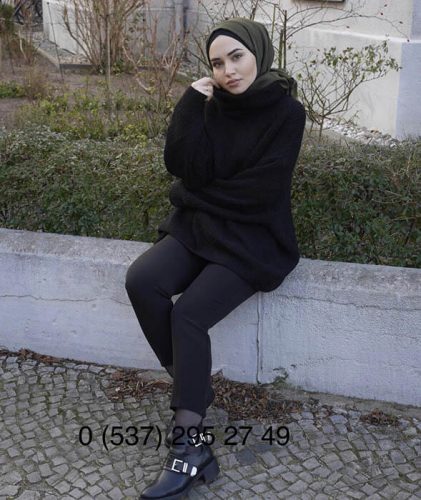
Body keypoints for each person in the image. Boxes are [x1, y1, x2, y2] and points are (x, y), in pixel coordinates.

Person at [125, 16, 306, 500]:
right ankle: (194, 388)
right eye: (218, 63)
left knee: (188, 314)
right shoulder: (212, 106)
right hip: (201, 229)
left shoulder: (287, 112)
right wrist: (190, 102)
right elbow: (182, 165)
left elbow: (259, 192)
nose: (228, 71)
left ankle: (190, 447)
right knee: (142, 281)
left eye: (237, 57)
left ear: (258, 53)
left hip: (253, 240)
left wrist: (194, 195)